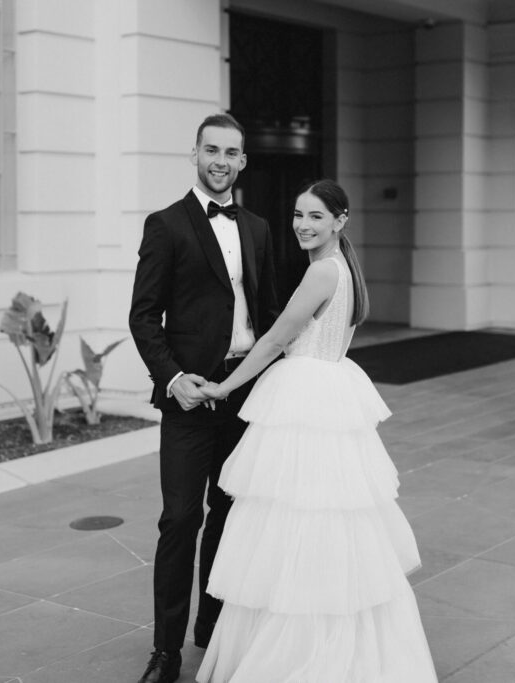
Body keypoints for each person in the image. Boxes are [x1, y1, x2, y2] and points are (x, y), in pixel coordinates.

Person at [195, 179, 438, 682]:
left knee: (294, 520)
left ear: (339, 220)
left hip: (305, 400)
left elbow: (273, 341)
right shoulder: (344, 269)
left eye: (316, 217)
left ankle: (302, 652)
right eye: (298, 215)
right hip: (326, 394)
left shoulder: (321, 275)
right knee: (325, 522)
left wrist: (223, 388)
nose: (303, 225)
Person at [128, 113, 279, 683]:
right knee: (179, 520)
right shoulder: (165, 225)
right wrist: (172, 378)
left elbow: (267, 314)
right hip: (190, 399)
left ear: (243, 162)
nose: (221, 160)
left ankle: (211, 627)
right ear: (194, 155)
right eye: (211, 150)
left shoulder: (259, 228)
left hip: (243, 394)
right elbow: (144, 316)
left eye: (231, 152)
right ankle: (166, 651)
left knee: (230, 514)